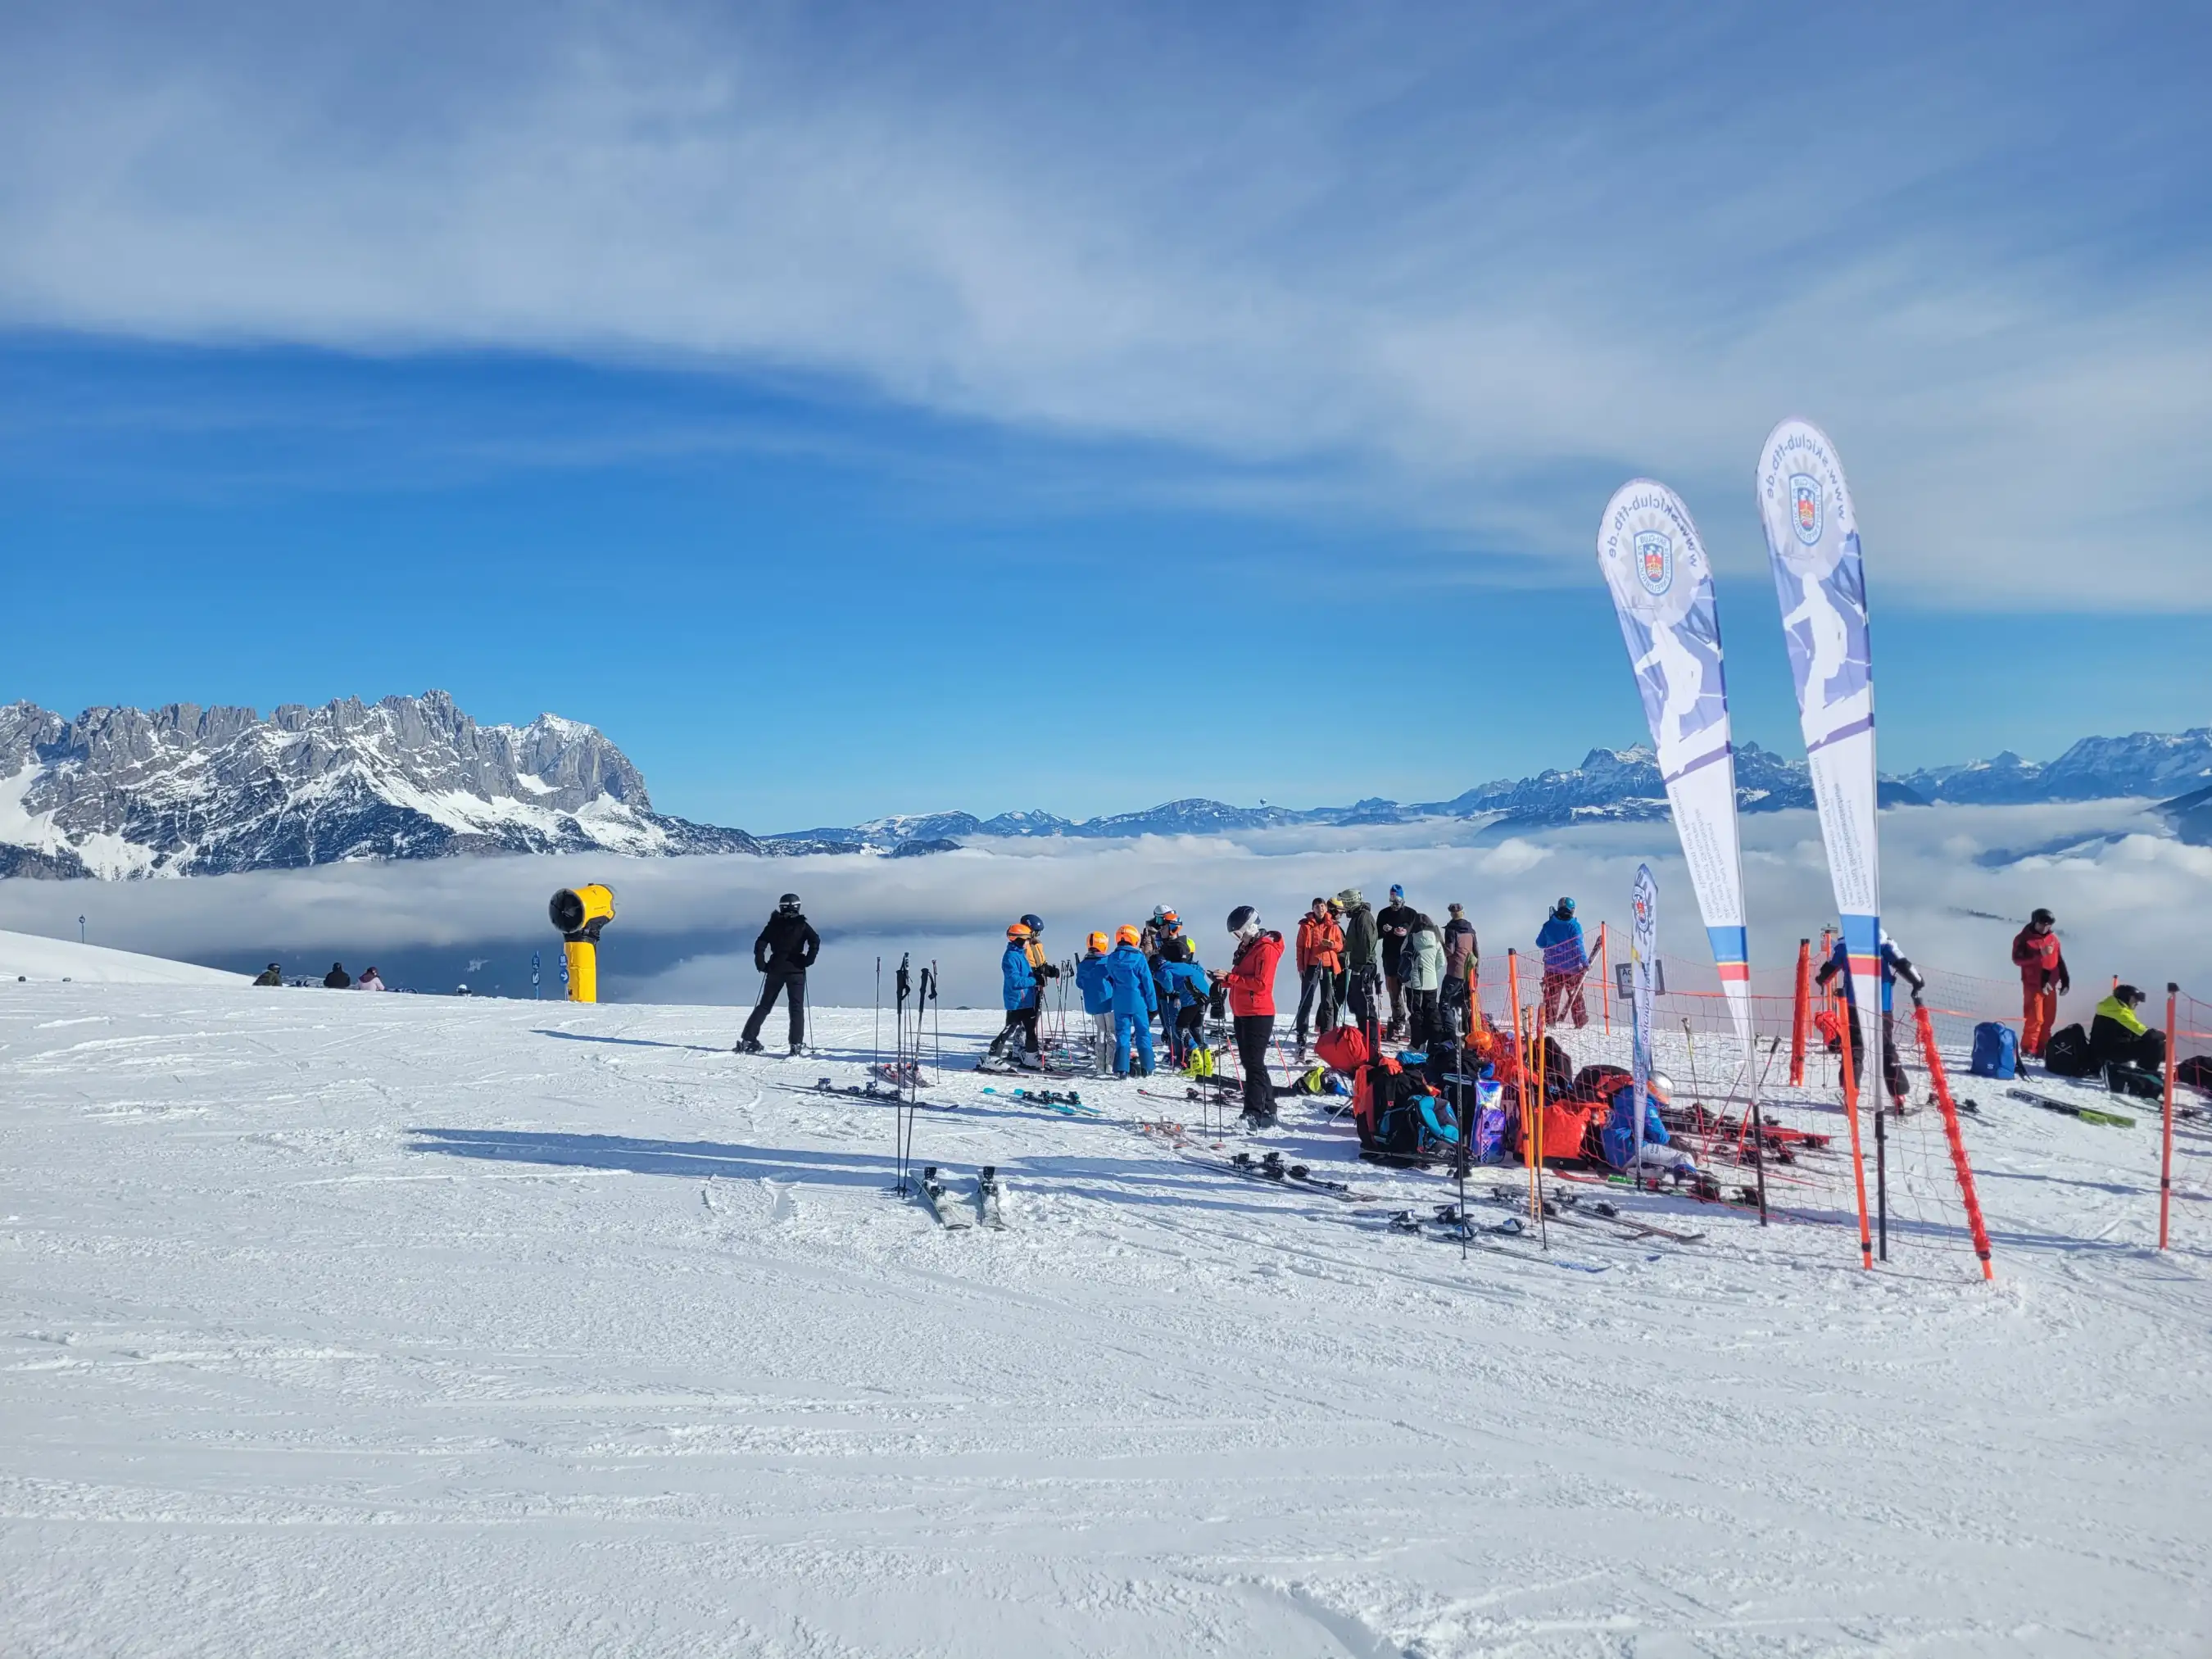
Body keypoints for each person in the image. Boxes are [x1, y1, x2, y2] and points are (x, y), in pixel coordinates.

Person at [1815, 928, 1924, 1108]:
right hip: (1882, 1006)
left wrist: (1821, 981)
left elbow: (1828, 969)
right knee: (1886, 1048)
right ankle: (1899, 1095)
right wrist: (1917, 983)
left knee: (1854, 1049)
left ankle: (1851, 1092)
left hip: (1854, 1005)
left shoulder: (1845, 944)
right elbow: (1904, 964)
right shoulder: (1884, 943)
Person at [1218, 905, 1285, 1127]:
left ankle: (1253, 1113)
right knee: (1251, 1063)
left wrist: (1232, 979)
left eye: (1239, 933)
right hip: (1243, 1011)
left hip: (1259, 1013)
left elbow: (1261, 984)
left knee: (1254, 1064)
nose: (1238, 938)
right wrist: (1225, 980)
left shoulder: (1265, 950)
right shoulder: (1248, 948)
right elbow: (1241, 976)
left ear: (1251, 927)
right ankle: (1269, 1109)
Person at [737, 893, 821, 1055]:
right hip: (796, 969)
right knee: (796, 1008)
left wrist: (761, 964)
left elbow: (760, 943)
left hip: (775, 968)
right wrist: (808, 960)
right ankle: (796, 1045)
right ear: (798, 906)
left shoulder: (773, 925)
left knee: (765, 1005)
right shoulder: (802, 925)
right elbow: (815, 941)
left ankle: (748, 1040)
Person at [1602, 1070, 1698, 1181]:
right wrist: (1678, 1145)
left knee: (1664, 1164)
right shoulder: (1643, 1102)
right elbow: (1660, 1136)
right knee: (1683, 1157)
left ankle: (1643, 1172)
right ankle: (1687, 1179)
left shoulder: (1626, 1094)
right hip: (1629, 1149)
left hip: (1614, 1153)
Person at [2010, 909, 2070, 1062]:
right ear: (2034, 921)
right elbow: (2017, 960)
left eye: (2048, 925)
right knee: (2035, 1019)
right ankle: (2028, 1049)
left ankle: (2042, 1050)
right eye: (2041, 924)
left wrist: (2065, 979)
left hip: (2050, 983)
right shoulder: (2023, 939)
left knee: (2049, 1019)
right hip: (2033, 983)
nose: (2045, 928)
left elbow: (2059, 960)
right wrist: (2039, 955)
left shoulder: (2053, 939)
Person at [1104, 925, 1158, 1077]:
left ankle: (1122, 1069)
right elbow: (1148, 983)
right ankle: (1148, 1067)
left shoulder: (1111, 958)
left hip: (1120, 1002)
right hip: (1138, 1002)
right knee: (1143, 1033)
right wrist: (1153, 1005)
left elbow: (1110, 978)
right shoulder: (1139, 958)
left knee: (1123, 1034)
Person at [987, 922, 1043, 1068]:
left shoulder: (1021, 955)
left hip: (1027, 1000)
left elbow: (1025, 974)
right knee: (1010, 1028)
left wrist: (1038, 974)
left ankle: (1031, 1056)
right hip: (1017, 1000)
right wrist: (1034, 980)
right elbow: (1014, 981)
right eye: (1027, 940)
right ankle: (992, 1058)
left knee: (1030, 1030)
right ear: (1019, 939)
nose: (1029, 943)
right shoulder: (1010, 957)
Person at [1294, 897, 1344, 1049]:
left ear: (1326, 908)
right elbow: (1300, 947)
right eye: (1317, 907)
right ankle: (1301, 1033)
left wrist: (1332, 944)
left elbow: (1340, 946)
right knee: (1306, 1001)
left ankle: (1326, 1034)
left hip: (1328, 965)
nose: (1320, 909)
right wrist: (1300, 967)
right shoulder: (1305, 926)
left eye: (1322, 906)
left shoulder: (1333, 925)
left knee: (1328, 1001)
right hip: (1311, 966)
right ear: (1313, 909)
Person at [2089, 984, 2165, 1085]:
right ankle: (2145, 1079)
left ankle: (2144, 1075)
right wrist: (2164, 1035)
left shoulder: (2112, 1006)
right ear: (2125, 997)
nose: (2137, 1003)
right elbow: (2145, 1033)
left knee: (2152, 1042)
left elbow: (2134, 1031)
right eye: (2134, 999)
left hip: (2102, 1050)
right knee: (2157, 1043)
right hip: (2110, 1052)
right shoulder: (2119, 1012)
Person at [1157, 938, 1211, 1071]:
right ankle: (1207, 1061)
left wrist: (1171, 991)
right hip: (1205, 996)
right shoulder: (1188, 966)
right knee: (1196, 1028)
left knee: (1180, 1027)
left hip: (1192, 999)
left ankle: (1194, 1058)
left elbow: (1168, 984)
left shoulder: (1165, 968)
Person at [1337, 889, 1383, 1044]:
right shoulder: (1357, 917)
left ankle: (1372, 1044)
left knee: (1366, 1007)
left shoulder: (1363, 918)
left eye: (1345, 902)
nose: (1343, 905)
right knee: (1358, 1006)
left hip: (1364, 967)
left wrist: (1359, 965)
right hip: (1357, 966)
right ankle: (1365, 1039)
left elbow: (1366, 944)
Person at [1535, 898, 1589, 1028]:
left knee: (1551, 997)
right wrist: (1585, 963)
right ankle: (1579, 1021)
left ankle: (1549, 1022)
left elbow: (1540, 943)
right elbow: (1578, 947)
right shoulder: (1574, 926)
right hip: (1572, 969)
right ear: (1572, 910)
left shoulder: (1548, 925)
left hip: (1552, 968)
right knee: (1576, 996)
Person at [1376, 884, 1418, 1040]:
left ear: (1403, 898)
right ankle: (1399, 1021)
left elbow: (1418, 932)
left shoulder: (1412, 914)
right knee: (1394, 992)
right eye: (1392, 898)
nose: (1394, 903)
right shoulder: (1383, 914)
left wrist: (1406, 932)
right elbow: (1376, 934)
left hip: (1407, 958)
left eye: (1397, 899)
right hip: (1389, 957)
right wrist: (1383, 931)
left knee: (1411, 992)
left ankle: (1414, 1021)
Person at [1399, 913, 1445, 1051]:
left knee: (1416, 1013)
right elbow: (1441, 962)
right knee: (1432, 1011)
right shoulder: (1436, 940)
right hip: (1431, 983)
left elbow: (1402, 955)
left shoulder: (1411, 938)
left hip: (1414, 983)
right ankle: (1434, 1043)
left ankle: (1417, 1044)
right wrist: (1432, 972)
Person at [1019, 913, 1060, 1058]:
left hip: (1037, 985)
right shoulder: (1022, 945)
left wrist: (1050, 971)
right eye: (1036, 932)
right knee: (1027, 1017)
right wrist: (1035, 974)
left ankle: (1027, 1046)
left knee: (1035, 1016)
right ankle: (1021, 1047)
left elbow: (1040, 964)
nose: (1037, 935)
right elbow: (1023, 966)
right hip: (1028, 986)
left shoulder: (1037, 945)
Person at [1076, 931, 1116, 1077]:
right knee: (1112, 1032)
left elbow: (1079, 983)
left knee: (1101, 1032)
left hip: (1093, 1003)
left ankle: (1099, 1065)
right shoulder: (1107, 962)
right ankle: (1110, 1065)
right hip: (1109, 1001)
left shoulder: (1083, 964)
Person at [1440, 903, 1479, 1041]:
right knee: (1465, 1003)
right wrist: (1476, 973)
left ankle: (1450, 1035)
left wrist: (1439, 947)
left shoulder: (1451, 930)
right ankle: (1468, 1035)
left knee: (1445, 1003)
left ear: (1451, 914)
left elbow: (1450, 950)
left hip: (1455, 971)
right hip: (1469, 973)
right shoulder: (1471, 930)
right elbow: (1476, 951)